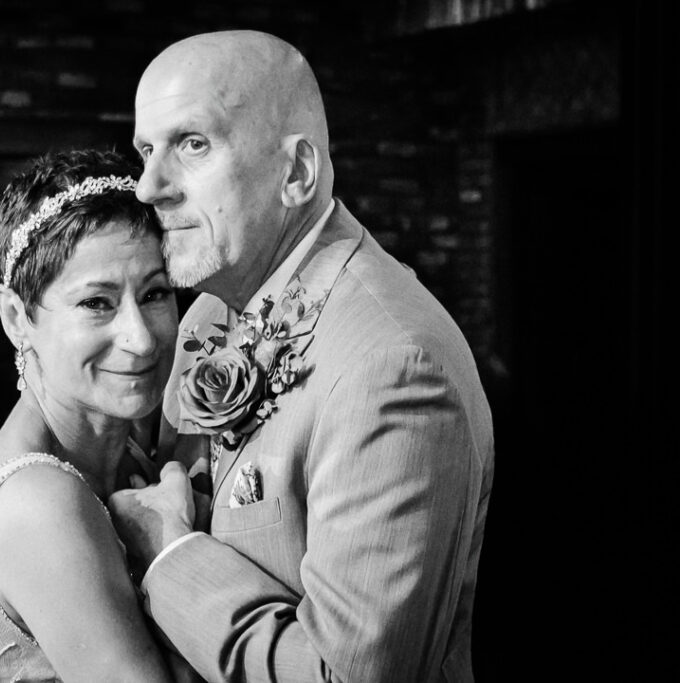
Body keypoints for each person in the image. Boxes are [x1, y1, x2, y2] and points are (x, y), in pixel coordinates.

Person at [109, 30, 495, 682]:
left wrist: (169, 553)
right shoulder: (208, 314)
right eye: (147, 150)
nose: (148, 187)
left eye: (192, 144)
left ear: (296, 173)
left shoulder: (394, 366)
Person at [0, 149, 182, 682]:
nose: (140, 339)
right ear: (16, 316)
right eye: (97, 303)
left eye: (155, 293)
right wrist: (178, 555)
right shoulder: (39, 503)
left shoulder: (133, 450)